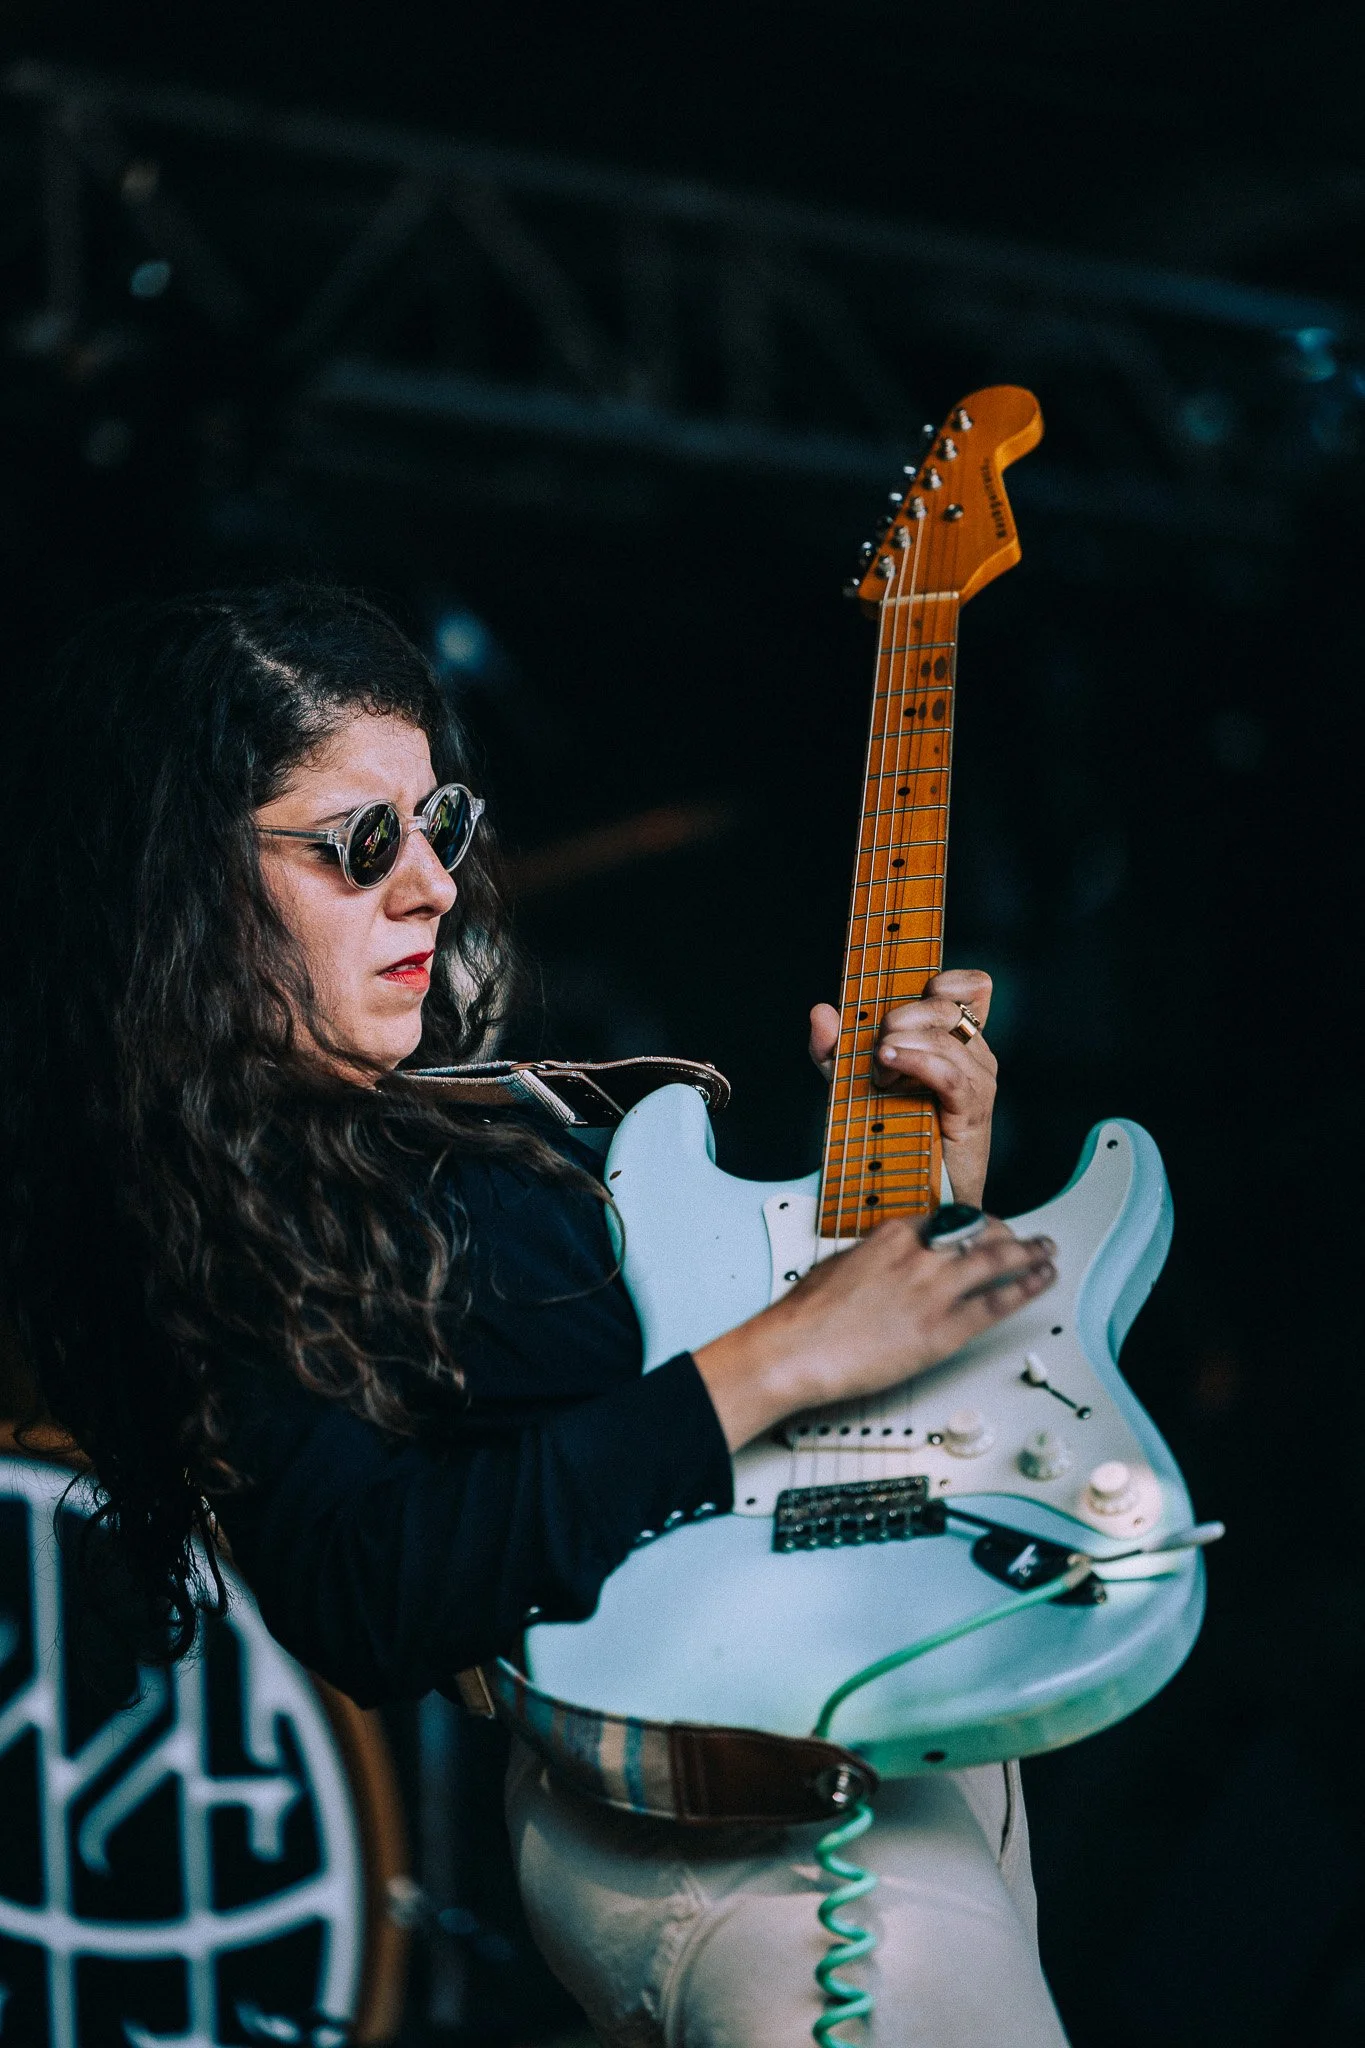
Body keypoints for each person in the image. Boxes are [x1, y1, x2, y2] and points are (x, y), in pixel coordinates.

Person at [0, 584, 1069, 2045]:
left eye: (436, 822)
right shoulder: (210, 1205)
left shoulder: (479, 1130)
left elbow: (794, 1421)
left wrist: (925, 1202)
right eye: (358, 845)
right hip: (731, 1827)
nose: (432, 882)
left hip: (903, 1735)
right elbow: (367, 1588)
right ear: (189, 883)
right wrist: (778, 1353)